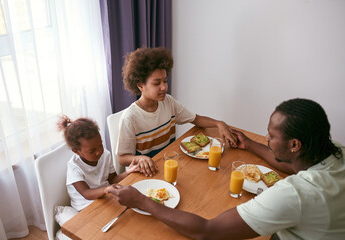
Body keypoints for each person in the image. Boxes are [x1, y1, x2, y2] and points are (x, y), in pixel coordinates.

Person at [107, 98, 345, 239]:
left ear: (295, 145)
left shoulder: (296, 194)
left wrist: (142, 201)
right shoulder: (332, 150)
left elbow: (207, 230)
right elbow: (289, 165)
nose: (266, 138)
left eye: (271, 136)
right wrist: (249, 144)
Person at [117, 47, 237, 177]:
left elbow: (195, 119)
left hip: (169, 163)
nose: (164, 87)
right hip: (148, 173)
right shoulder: (130, 118)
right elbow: (122, 158)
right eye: (157, 83)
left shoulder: (168, 102)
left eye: (165, 81)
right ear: (140, 86)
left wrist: (219, 123)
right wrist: (140, 159)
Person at [57, 115, 139, 211]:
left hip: (104, 197)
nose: (99, 152)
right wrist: (106, 189)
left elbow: (113, 180)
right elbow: (86, 193)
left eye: (100, 145)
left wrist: (128, 172)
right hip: (85, 206)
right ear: (76, 151)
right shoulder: (74, 167)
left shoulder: (105, 155)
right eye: (92, 151)